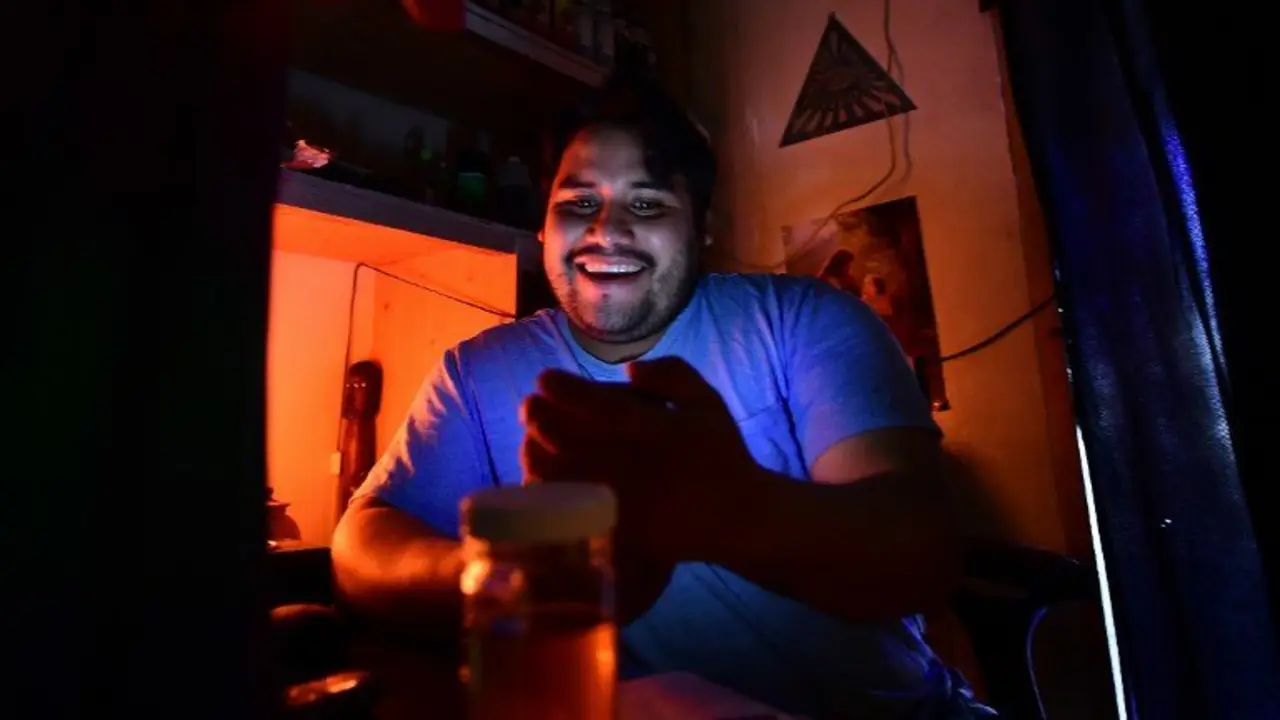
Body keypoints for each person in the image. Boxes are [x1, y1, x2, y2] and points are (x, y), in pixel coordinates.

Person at [332, 76, 991, 719]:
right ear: (542, 228)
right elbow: (361, 543)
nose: (606, 229)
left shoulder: (808, 321)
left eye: (646, 204)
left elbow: (921, 552)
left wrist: (730, 513)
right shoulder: (476, 373)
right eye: (579, 203)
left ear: (702, 228)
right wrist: (501, 575)